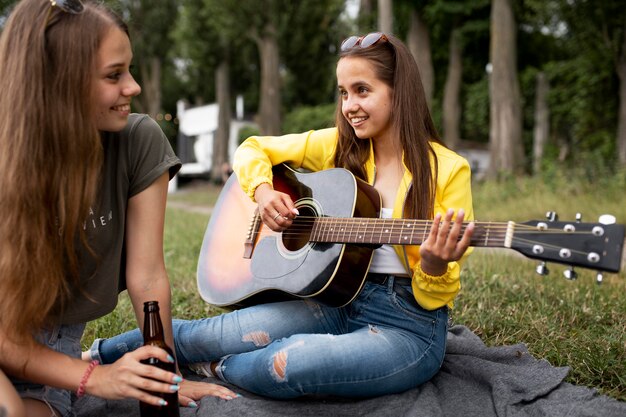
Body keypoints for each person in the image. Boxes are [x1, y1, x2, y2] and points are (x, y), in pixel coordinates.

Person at [88, 32, 475, 399]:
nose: (350, 106)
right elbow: (252, 148)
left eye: (362, 91)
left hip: (406, 326)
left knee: (289, 361)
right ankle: (95, 357)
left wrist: (434, 264)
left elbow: (435, 296)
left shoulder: (448, 169)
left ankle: (214, 369)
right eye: (343, 93)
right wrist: (263, 191)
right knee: (207, 333)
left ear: (400, 92)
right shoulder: (340, 146)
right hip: (335, 302)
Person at [0, 1, 236, 416]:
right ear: (59, 83)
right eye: (114, 75)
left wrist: (165, 377)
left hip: (53, 359)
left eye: (128, 69)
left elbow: (147, 276)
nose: (134, 87)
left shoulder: (138, 141)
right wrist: (97, 378)